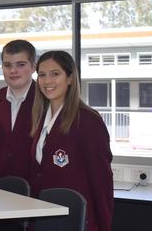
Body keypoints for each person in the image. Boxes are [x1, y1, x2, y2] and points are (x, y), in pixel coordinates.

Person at [29, 50, 113, 231]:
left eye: (55, 74)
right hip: (46, 216)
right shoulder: (40, 118)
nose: (47, 81)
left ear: (70, 78)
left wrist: (103, 225)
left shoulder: (88, 120)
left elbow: (101, 181)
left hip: (76, 219)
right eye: (42, 75)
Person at [0, 39, 36, 186]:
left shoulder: (47, 102)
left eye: (20, 65)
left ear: (33, 66)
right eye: (7, 65)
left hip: (37, 195)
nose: (13, 71)